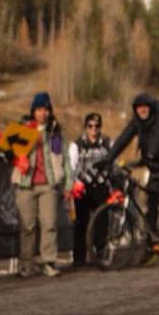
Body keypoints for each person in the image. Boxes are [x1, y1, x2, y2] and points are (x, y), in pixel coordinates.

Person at [103, 92, 159, 253]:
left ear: (150, 107)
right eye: (138, 108)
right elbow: (123, 139)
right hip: (154, 164)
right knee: (151, 199)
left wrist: (150, 154)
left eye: (144, 107)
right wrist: (108, 159)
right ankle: (153, 240)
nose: (141, 110)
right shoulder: (138, 122)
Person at [8, 91, 71, 277]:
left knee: (49, 224)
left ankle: (49, 262)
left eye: (46, 109)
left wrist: (68, 184)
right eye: (39, 109)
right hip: (26, 184)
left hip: (49, 185)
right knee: (27, 226)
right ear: (33, 111)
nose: (43, 113)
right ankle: (26, 264)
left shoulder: (56, 131)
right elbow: (8, 152)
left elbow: (65, 159)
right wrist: (17, 159)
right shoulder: (22, 128)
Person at [68, 111, 112, 267]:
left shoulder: (108, 143)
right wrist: (73, 184)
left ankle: (101, 256)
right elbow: (71, 167)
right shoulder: (77, 145)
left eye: (97, 126)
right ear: (86, 127)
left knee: (102, 223)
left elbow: (114, 164)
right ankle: (79, 258)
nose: (94, 129)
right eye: (90, 126)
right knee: (81, 223)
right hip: (83, 188)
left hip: (101, 187)